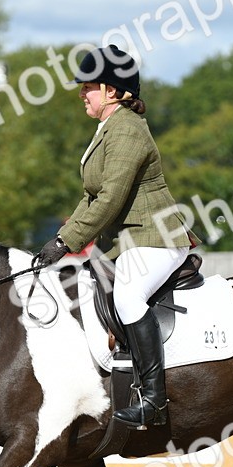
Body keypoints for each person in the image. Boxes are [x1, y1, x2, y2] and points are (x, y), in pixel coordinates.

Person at [34, 44, 196, 428]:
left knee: (127, 295)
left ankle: (154, 400)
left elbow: (110, 199)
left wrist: (66, 243)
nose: (81, 93)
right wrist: (62, 236)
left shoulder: (128, 129)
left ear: (112, 91)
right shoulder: (109, 128)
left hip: (156, 237)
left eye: (88, 86)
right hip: (132, 241)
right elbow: (89, 197)